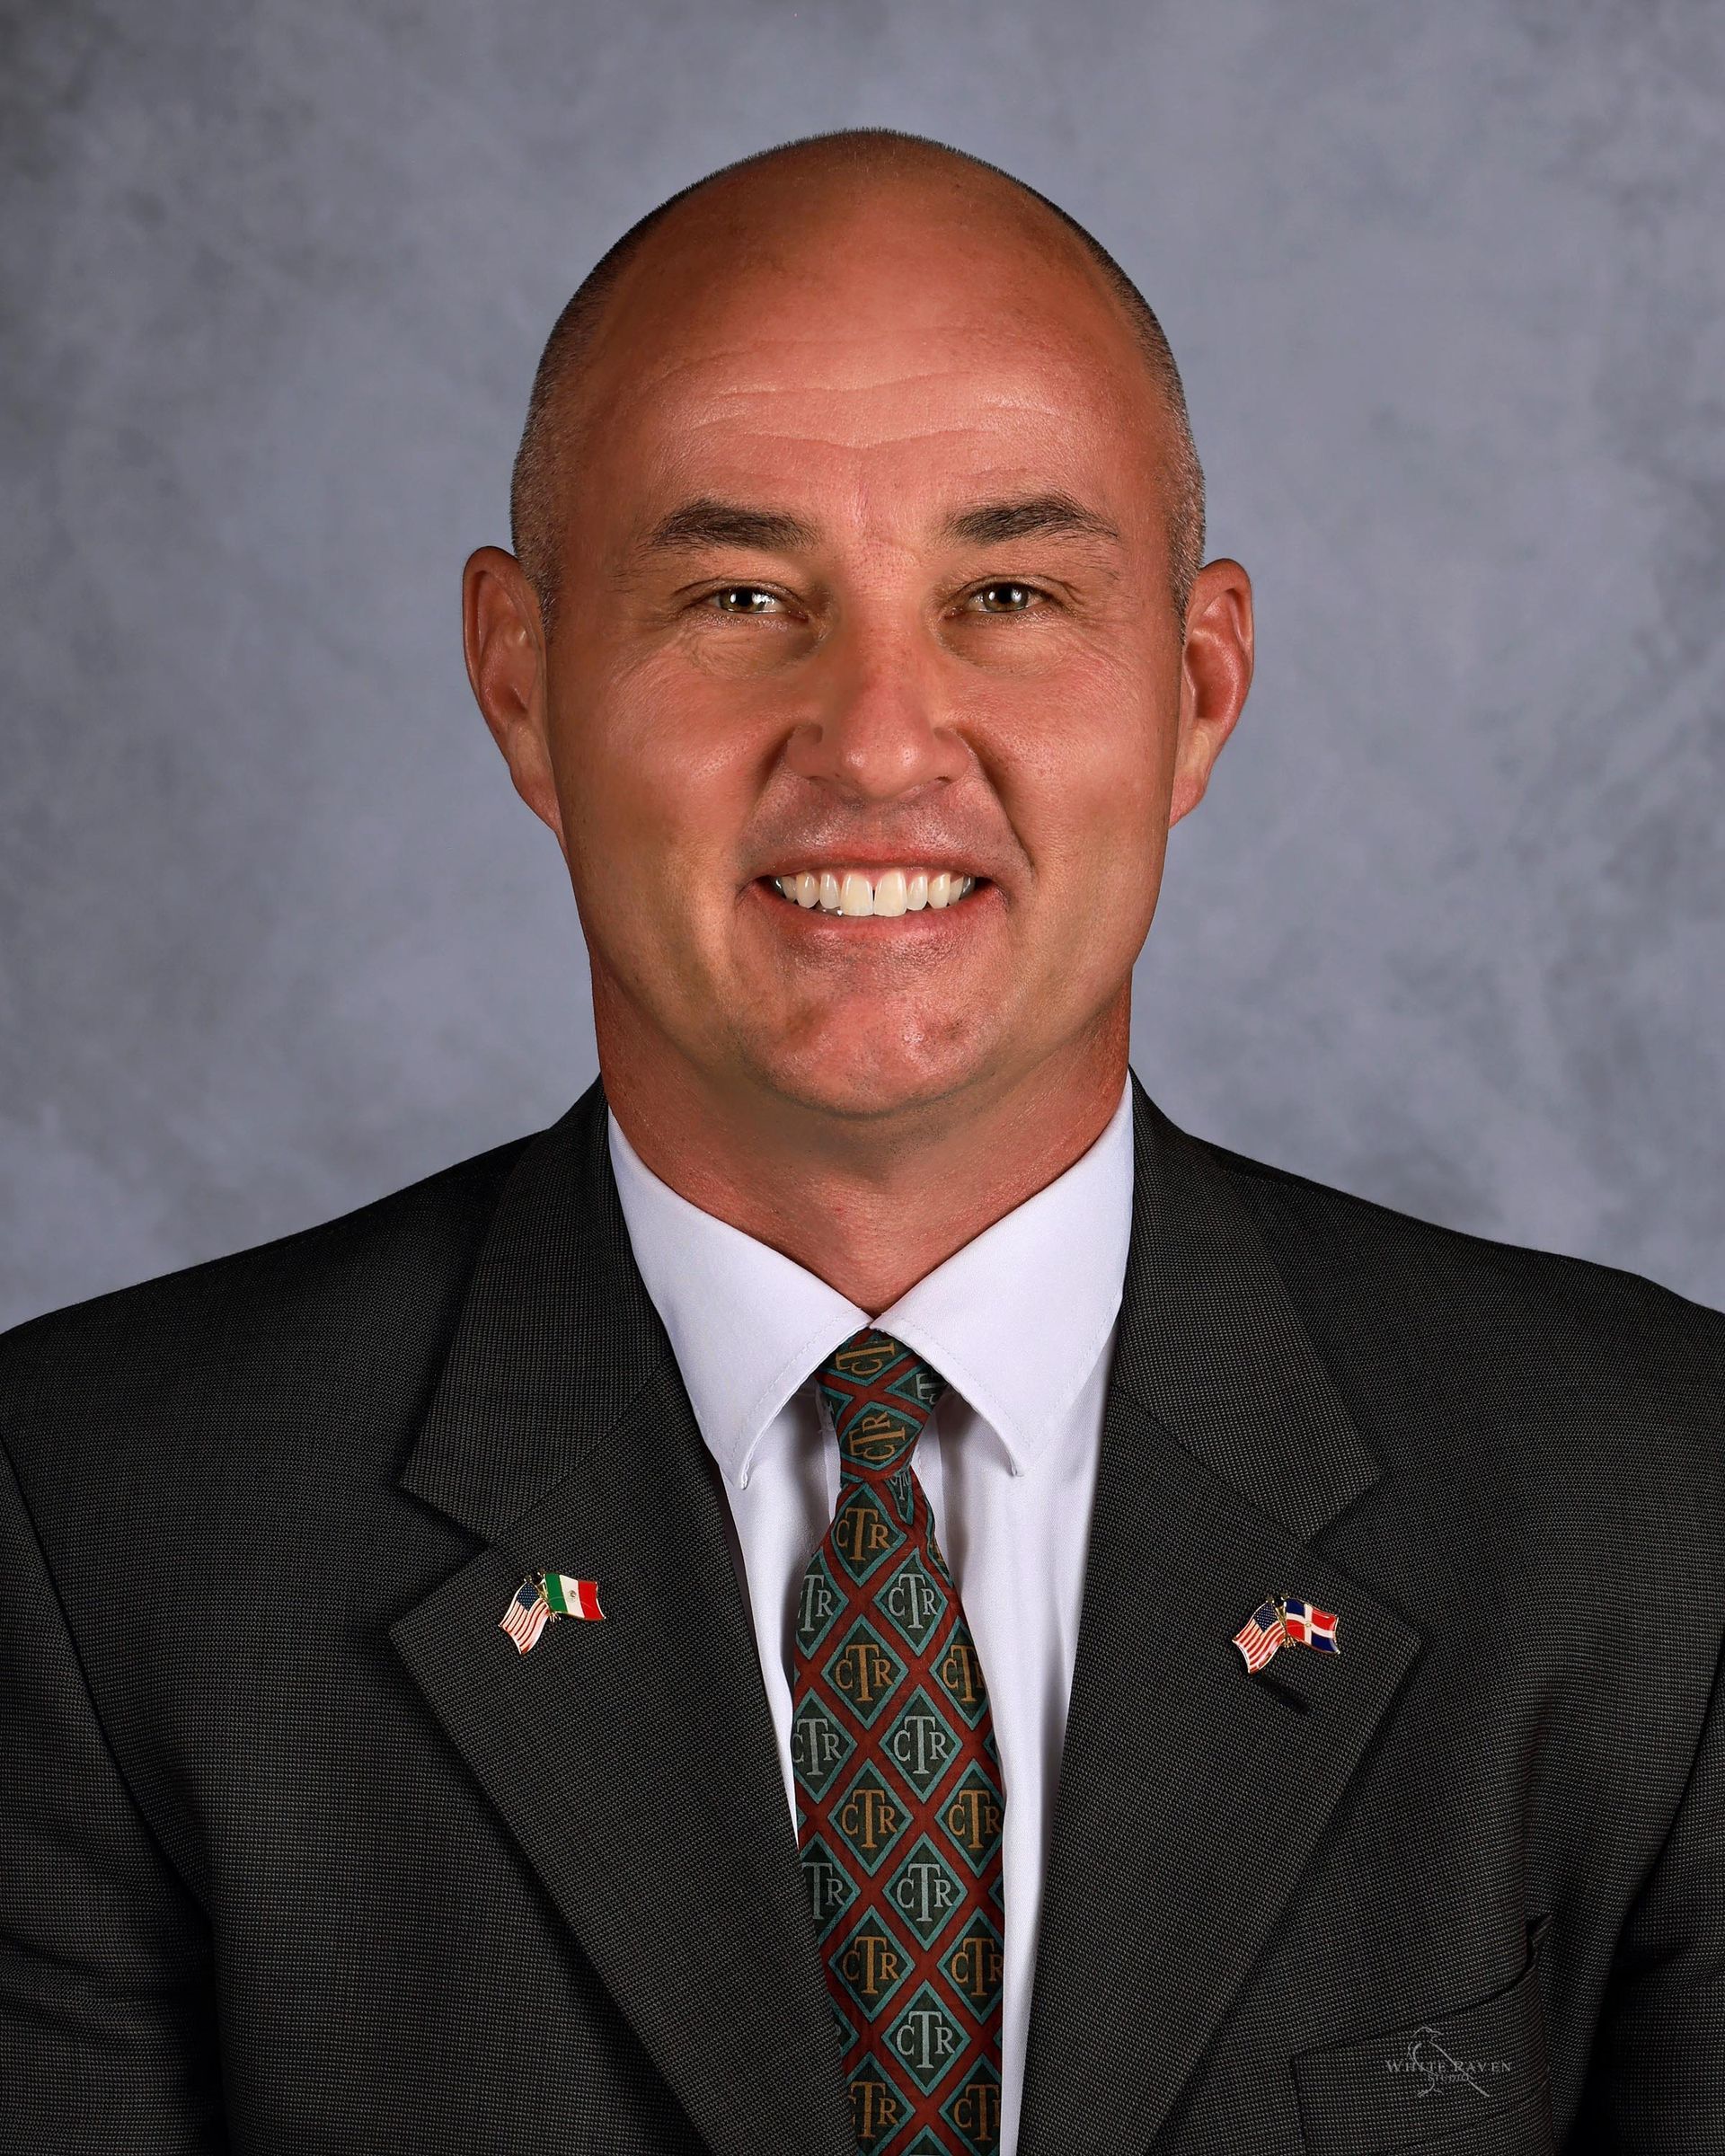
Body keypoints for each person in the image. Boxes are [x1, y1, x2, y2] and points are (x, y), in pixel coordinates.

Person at [1, 125, 1720, 2156]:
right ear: (523, 684)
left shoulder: (1657, 1508)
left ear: (1196, 690)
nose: (882, 741)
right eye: (740, 595)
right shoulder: (92, 1539)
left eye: (1008, 593)